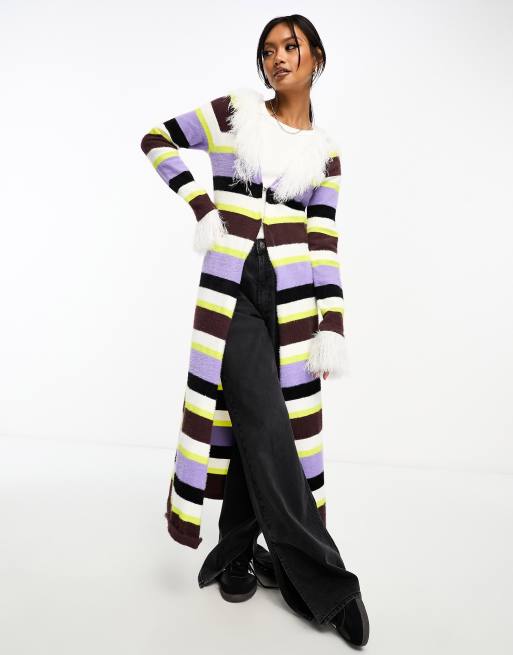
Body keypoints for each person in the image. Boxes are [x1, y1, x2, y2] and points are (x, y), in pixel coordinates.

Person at [140, 13, 369, 649]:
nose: (278, 58)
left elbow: (323, 242)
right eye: (268, 50)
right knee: (270, 429)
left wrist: (332, 324)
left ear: (316, 56)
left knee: (255, 426)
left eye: (291, 46)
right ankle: (323, 584)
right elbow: (156, 139)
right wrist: (201, 204)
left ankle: (236, 553)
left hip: (293, 305)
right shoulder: (233, 114)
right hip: (233, 293)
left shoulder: (325, 155)